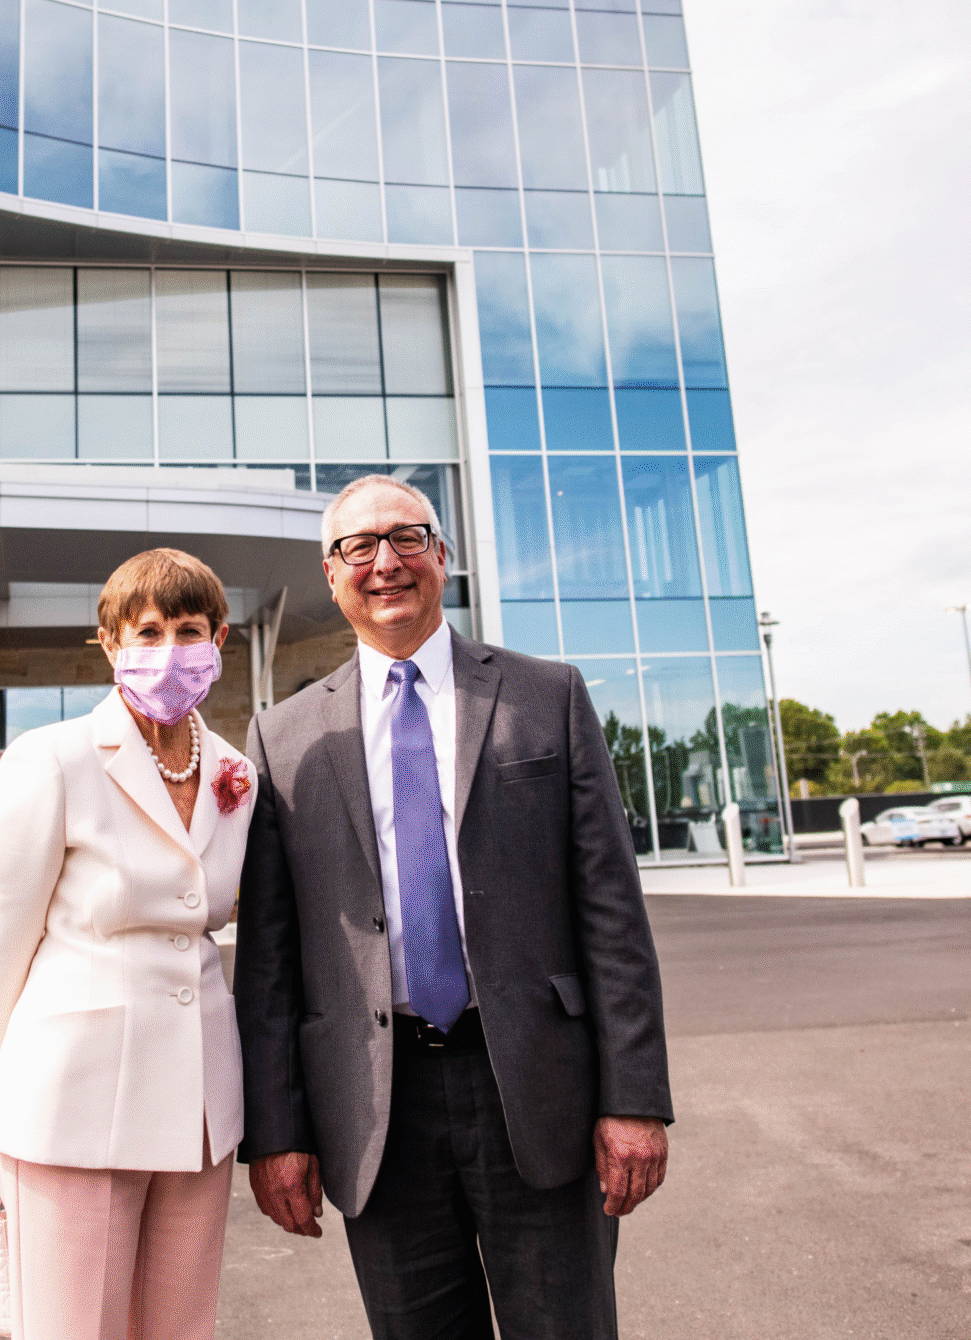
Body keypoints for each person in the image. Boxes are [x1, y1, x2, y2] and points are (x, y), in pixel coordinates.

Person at [233, 476, 673, 1339]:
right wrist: (276, 1132)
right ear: (331, 574)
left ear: (442, 554)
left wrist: (636, 1098)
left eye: (407, 537)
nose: (385, 561)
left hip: (537, 1090)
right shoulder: (284, 739)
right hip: (375, 1109)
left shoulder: (548, 696)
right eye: (359, 546)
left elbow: (612, 913)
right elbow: (270, 961)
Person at [0, 547, 258, 1340]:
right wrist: (13, 1093)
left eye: (188, 629)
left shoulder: (238, 771)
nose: (169, 650)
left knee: (178, 1327)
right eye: (148, 630)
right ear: (109, 641)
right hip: (72, 1099)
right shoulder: (53, 758)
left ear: (219, 637)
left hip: (199, 1103)